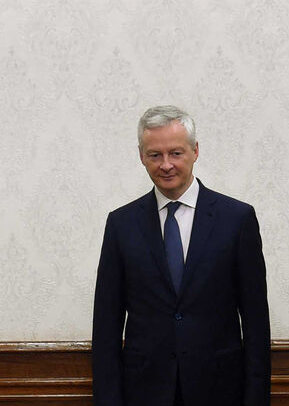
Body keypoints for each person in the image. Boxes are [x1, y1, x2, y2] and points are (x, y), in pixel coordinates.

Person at [92, 106, 270, 406]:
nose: (166, 165)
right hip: (144, 391)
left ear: (195, 151)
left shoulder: (236, 219)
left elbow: (255, 320)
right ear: (141, 156)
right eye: (154, 155)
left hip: (219, 388)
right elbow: (106, 325)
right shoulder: (121, 224)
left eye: (175, 153)